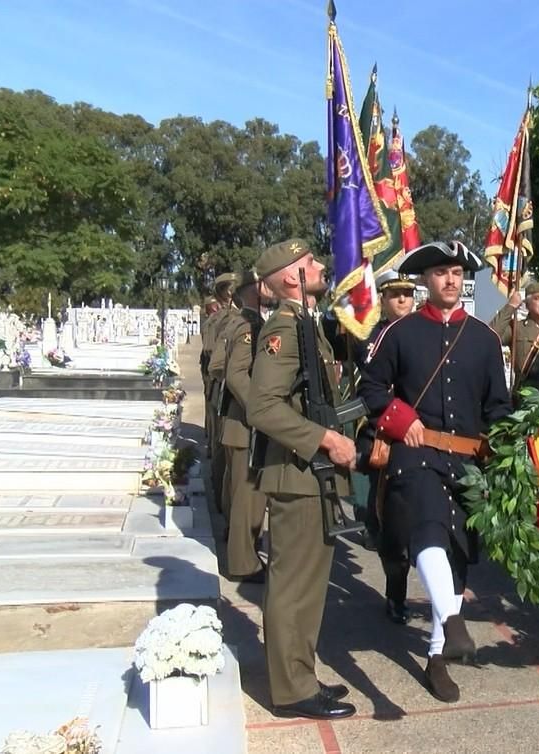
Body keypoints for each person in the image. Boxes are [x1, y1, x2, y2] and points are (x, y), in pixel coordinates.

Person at [357, 240, 511, 703]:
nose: (451, 280)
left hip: (466, 460)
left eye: (458, 273)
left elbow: (499, 406)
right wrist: (404, 420)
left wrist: (506, 447)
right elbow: (371, 386)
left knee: (458, 553)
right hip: (413, 453)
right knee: (426, 528)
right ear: (426, 280)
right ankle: (453, 620)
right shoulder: (399, 332)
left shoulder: (484, 337)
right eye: (442, 272)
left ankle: (436, 656)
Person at [245, 239, 357, 720]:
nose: (320, 266)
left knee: (309, 587)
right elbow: (262, 406)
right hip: (296, 475)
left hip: (309, 475)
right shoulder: (284, 329)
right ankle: (292, 690)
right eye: (310, 263)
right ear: (291, 276)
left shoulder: (306, 324)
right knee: (293, 586)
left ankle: (300, 673)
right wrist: (326, 441)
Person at [355, 269, 418, 624]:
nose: (403, 301)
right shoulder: (372, 339)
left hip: (418, 436)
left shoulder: (427, 334)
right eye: (396, 296)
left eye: (408, 295)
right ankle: (396, 588)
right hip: (382, 434)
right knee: (387, 521)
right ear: (383, 299)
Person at [217, 269, 271, 583]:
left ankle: (244, 554)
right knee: (247, 499)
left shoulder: (254, 321)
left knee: (249, 497)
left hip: (245, 423)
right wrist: (261, 409)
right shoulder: (248, 325)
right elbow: (236, 374)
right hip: (245, 423)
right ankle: (243, 563)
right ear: (253, 289)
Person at [203, 272, 238, 506]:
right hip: (225, 386)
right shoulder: (229, 319)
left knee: (219, 443)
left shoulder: (219, 318)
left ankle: (220, 498)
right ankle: (223, 503)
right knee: (224, 451)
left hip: (217, 385)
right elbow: (215, 356)